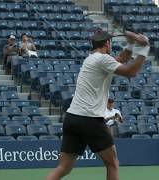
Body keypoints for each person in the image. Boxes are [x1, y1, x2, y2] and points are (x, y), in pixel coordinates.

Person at [46, 30, 150, 180]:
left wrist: (132, 43)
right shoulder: (103, 60)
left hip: (72, 118)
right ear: (107, 44)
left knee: (63, 168)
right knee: (112, 163)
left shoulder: (91, 59)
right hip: (89, 119)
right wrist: (144, 48)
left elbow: (121, 58)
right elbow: (131, 71)